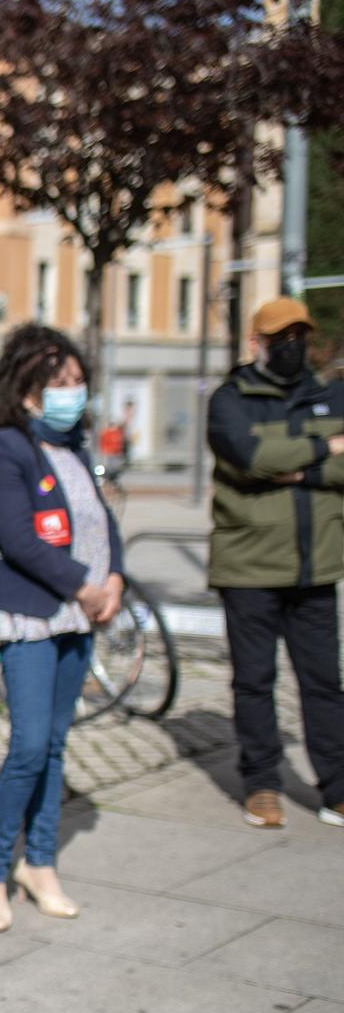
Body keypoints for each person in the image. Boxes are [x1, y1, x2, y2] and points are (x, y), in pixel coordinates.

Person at [0, 324, 125, 931]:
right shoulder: (4, 447)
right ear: (28, 388)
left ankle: (40, 863)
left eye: (78, 381)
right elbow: (18, 538)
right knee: (29, 746)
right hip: (33, 613)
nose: (73, 393)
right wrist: (85, 586)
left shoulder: (74, 447)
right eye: (59, 383)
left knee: (57, 746)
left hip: (81, 613)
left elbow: (101, 524)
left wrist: (115, 582)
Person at [205, 297, 344, 830]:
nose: (292, 347)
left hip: (316, 566)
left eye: (299, 337)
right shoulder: (230, 399)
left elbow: (276, 464)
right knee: (254, 682)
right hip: (250, 568)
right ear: (255, 343)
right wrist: (328, 448)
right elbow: (250, 459)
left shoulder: (329, 395)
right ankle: (262, 784)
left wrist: (297, 465)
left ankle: (336, 786)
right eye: (280, 338)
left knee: (324, 683)